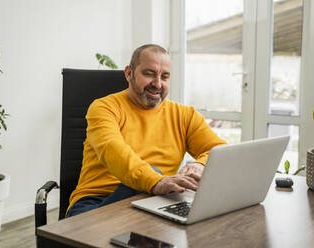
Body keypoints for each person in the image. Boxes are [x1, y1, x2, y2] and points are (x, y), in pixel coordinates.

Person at [66, 44, 226, 217]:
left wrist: (199, 164)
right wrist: (155, 180)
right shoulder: (104, 108)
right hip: (97, 203)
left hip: (155, 200)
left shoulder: (185, 115)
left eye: (164, 77)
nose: (157, 84)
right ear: (129, 73)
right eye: (149, 74)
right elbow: (113, 150)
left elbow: (220, 151)